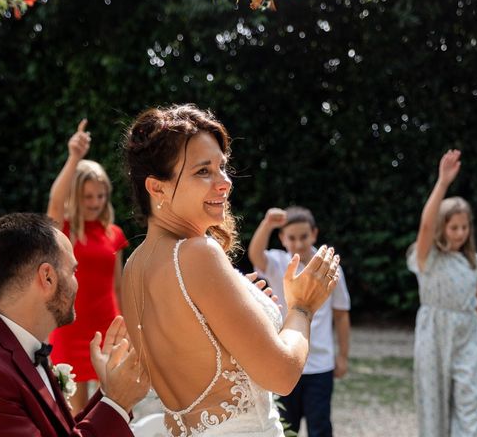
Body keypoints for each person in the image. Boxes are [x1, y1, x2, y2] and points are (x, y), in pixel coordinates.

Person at [121, 104, 340, 437]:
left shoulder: (134, 267)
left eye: (222, 167)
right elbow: (281, 375)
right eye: (203, 171)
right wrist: (302, 307)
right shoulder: (198, 254)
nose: (224, 182)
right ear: (157, 187)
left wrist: (240, 299)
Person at [0, 212, 150, 437]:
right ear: (47, 277)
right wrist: (117, 403)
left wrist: (109, 391)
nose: (77, 282)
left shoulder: (14, 349)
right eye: (73, 271)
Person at [407, 149, 477, 436]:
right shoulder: (427, 258)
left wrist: (476, 336)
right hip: (433, 333)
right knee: (434, 404)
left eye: (464, 227)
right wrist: (442, 183)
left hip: (466, 336)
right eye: (453, 227)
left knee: (471, 402)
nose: (459, 233)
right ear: (443, 229)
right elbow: (426, 225)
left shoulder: (474, 263)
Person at [48, 119, 129, 413]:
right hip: (70, 326)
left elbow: (119, 286)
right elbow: (55, 200)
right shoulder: (64, 229)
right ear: (75, 196)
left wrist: (128, 327)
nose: (95, 202)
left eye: (100, 195)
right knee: (73, 412)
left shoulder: (114, 233)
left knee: (113, 407)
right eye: (87, 196)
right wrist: (74, 158)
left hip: (109, 325)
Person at [248, 206, 351, 437]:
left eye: (303, 237)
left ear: (314, 234)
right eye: (291, 238)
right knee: (285, 428)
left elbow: (341, 314)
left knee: (320, 427)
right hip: (285, 361)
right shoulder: (278, 263)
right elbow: (255, 255)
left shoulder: (330, 268)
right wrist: (267, 223)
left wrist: (343, 355)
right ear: (282, 238)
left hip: (321, 366)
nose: (298, 243)